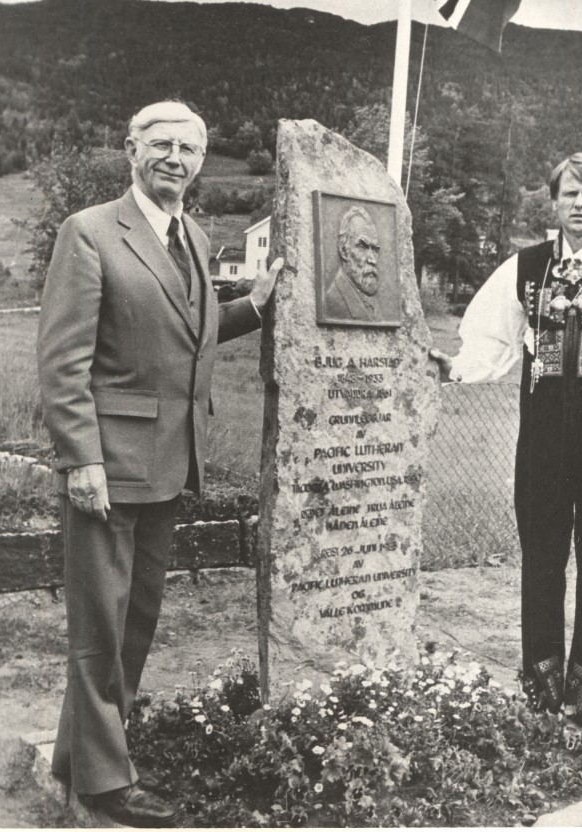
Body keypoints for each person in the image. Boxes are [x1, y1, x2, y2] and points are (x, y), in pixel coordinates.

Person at [37, 100, 283, 826]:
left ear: (203, 161)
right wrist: (80, 460)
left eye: (190, 148)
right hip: (108, 464)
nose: (176, 158)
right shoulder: (88, 233)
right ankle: (104, 785)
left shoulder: (194, 236)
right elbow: (62, 361)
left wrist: (257, 306)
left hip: (169, 463)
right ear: (131, 151)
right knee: (99, 624)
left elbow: (189, 338)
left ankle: (78, 755)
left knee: (136, 617)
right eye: (162, 145)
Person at [431, 152, 582, 739]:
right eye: (570, 194)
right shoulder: (528, 267)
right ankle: (540, 687)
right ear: (555, 201)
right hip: (542, 438)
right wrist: (455, 367)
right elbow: (494, 340)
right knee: (541, 557)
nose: (580, 204)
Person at [325, 204, 381, 321]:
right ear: (344, 251)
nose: (373, 260)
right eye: (362, 247)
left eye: (375, 249)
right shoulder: (332, 302)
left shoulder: (374, 303)